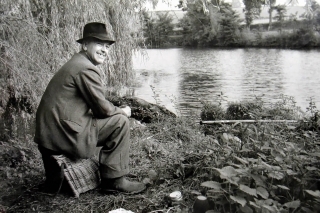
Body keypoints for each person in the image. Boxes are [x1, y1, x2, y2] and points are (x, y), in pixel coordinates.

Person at [34, 22, 146, 194]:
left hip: (51, 134)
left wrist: (110, 108)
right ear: (85, 45)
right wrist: (122, 111)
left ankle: (108, 175)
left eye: (107, 46)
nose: (104, 50)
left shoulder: (76, 62)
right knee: (120, 122)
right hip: (63, 135)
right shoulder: (86, 68)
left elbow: (96, 103)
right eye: (99, 44)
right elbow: (103, 110)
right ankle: (114, 181)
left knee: (112, 117)